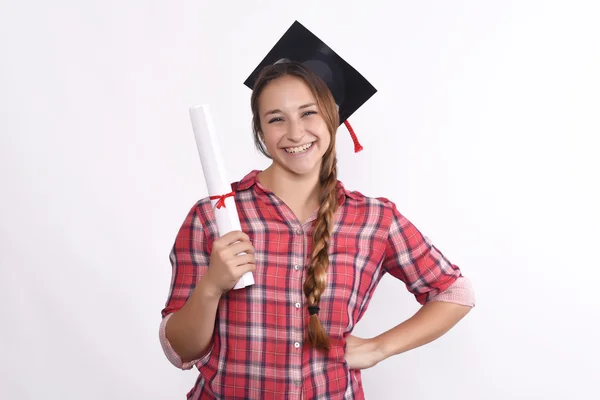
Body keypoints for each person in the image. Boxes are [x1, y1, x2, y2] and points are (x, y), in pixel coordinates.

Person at [159, 21, 475, 400]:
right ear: (259, 130)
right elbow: (180, 349)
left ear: (333, 118)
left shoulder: (375, 220)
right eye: (276, 118)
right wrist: (211, 286)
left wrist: (379, 348)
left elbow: (454, 292)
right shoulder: (213, 216)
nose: (295, 133)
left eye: (308, 113)